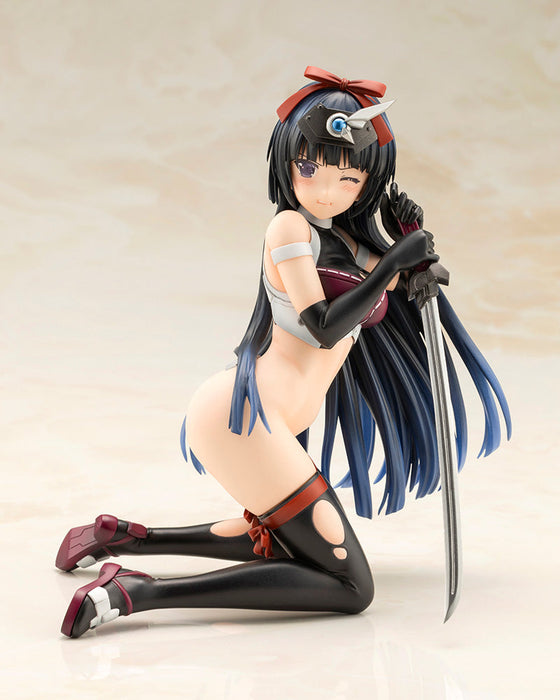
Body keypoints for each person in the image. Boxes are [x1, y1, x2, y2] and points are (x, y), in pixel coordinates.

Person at [56, 67, 511, 638]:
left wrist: (411, 253)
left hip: (267, 419)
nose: (327, 190)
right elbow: (323, 325)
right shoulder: (290, 229)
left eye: (348, 178)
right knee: (351, 587)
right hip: (247, 417)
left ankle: (126, 538)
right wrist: (396, 262)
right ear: (286, 161)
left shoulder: (347, 242)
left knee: (279, 537)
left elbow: (395, 282)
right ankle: (135, 592)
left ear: (368, 182)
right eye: (310, 168)